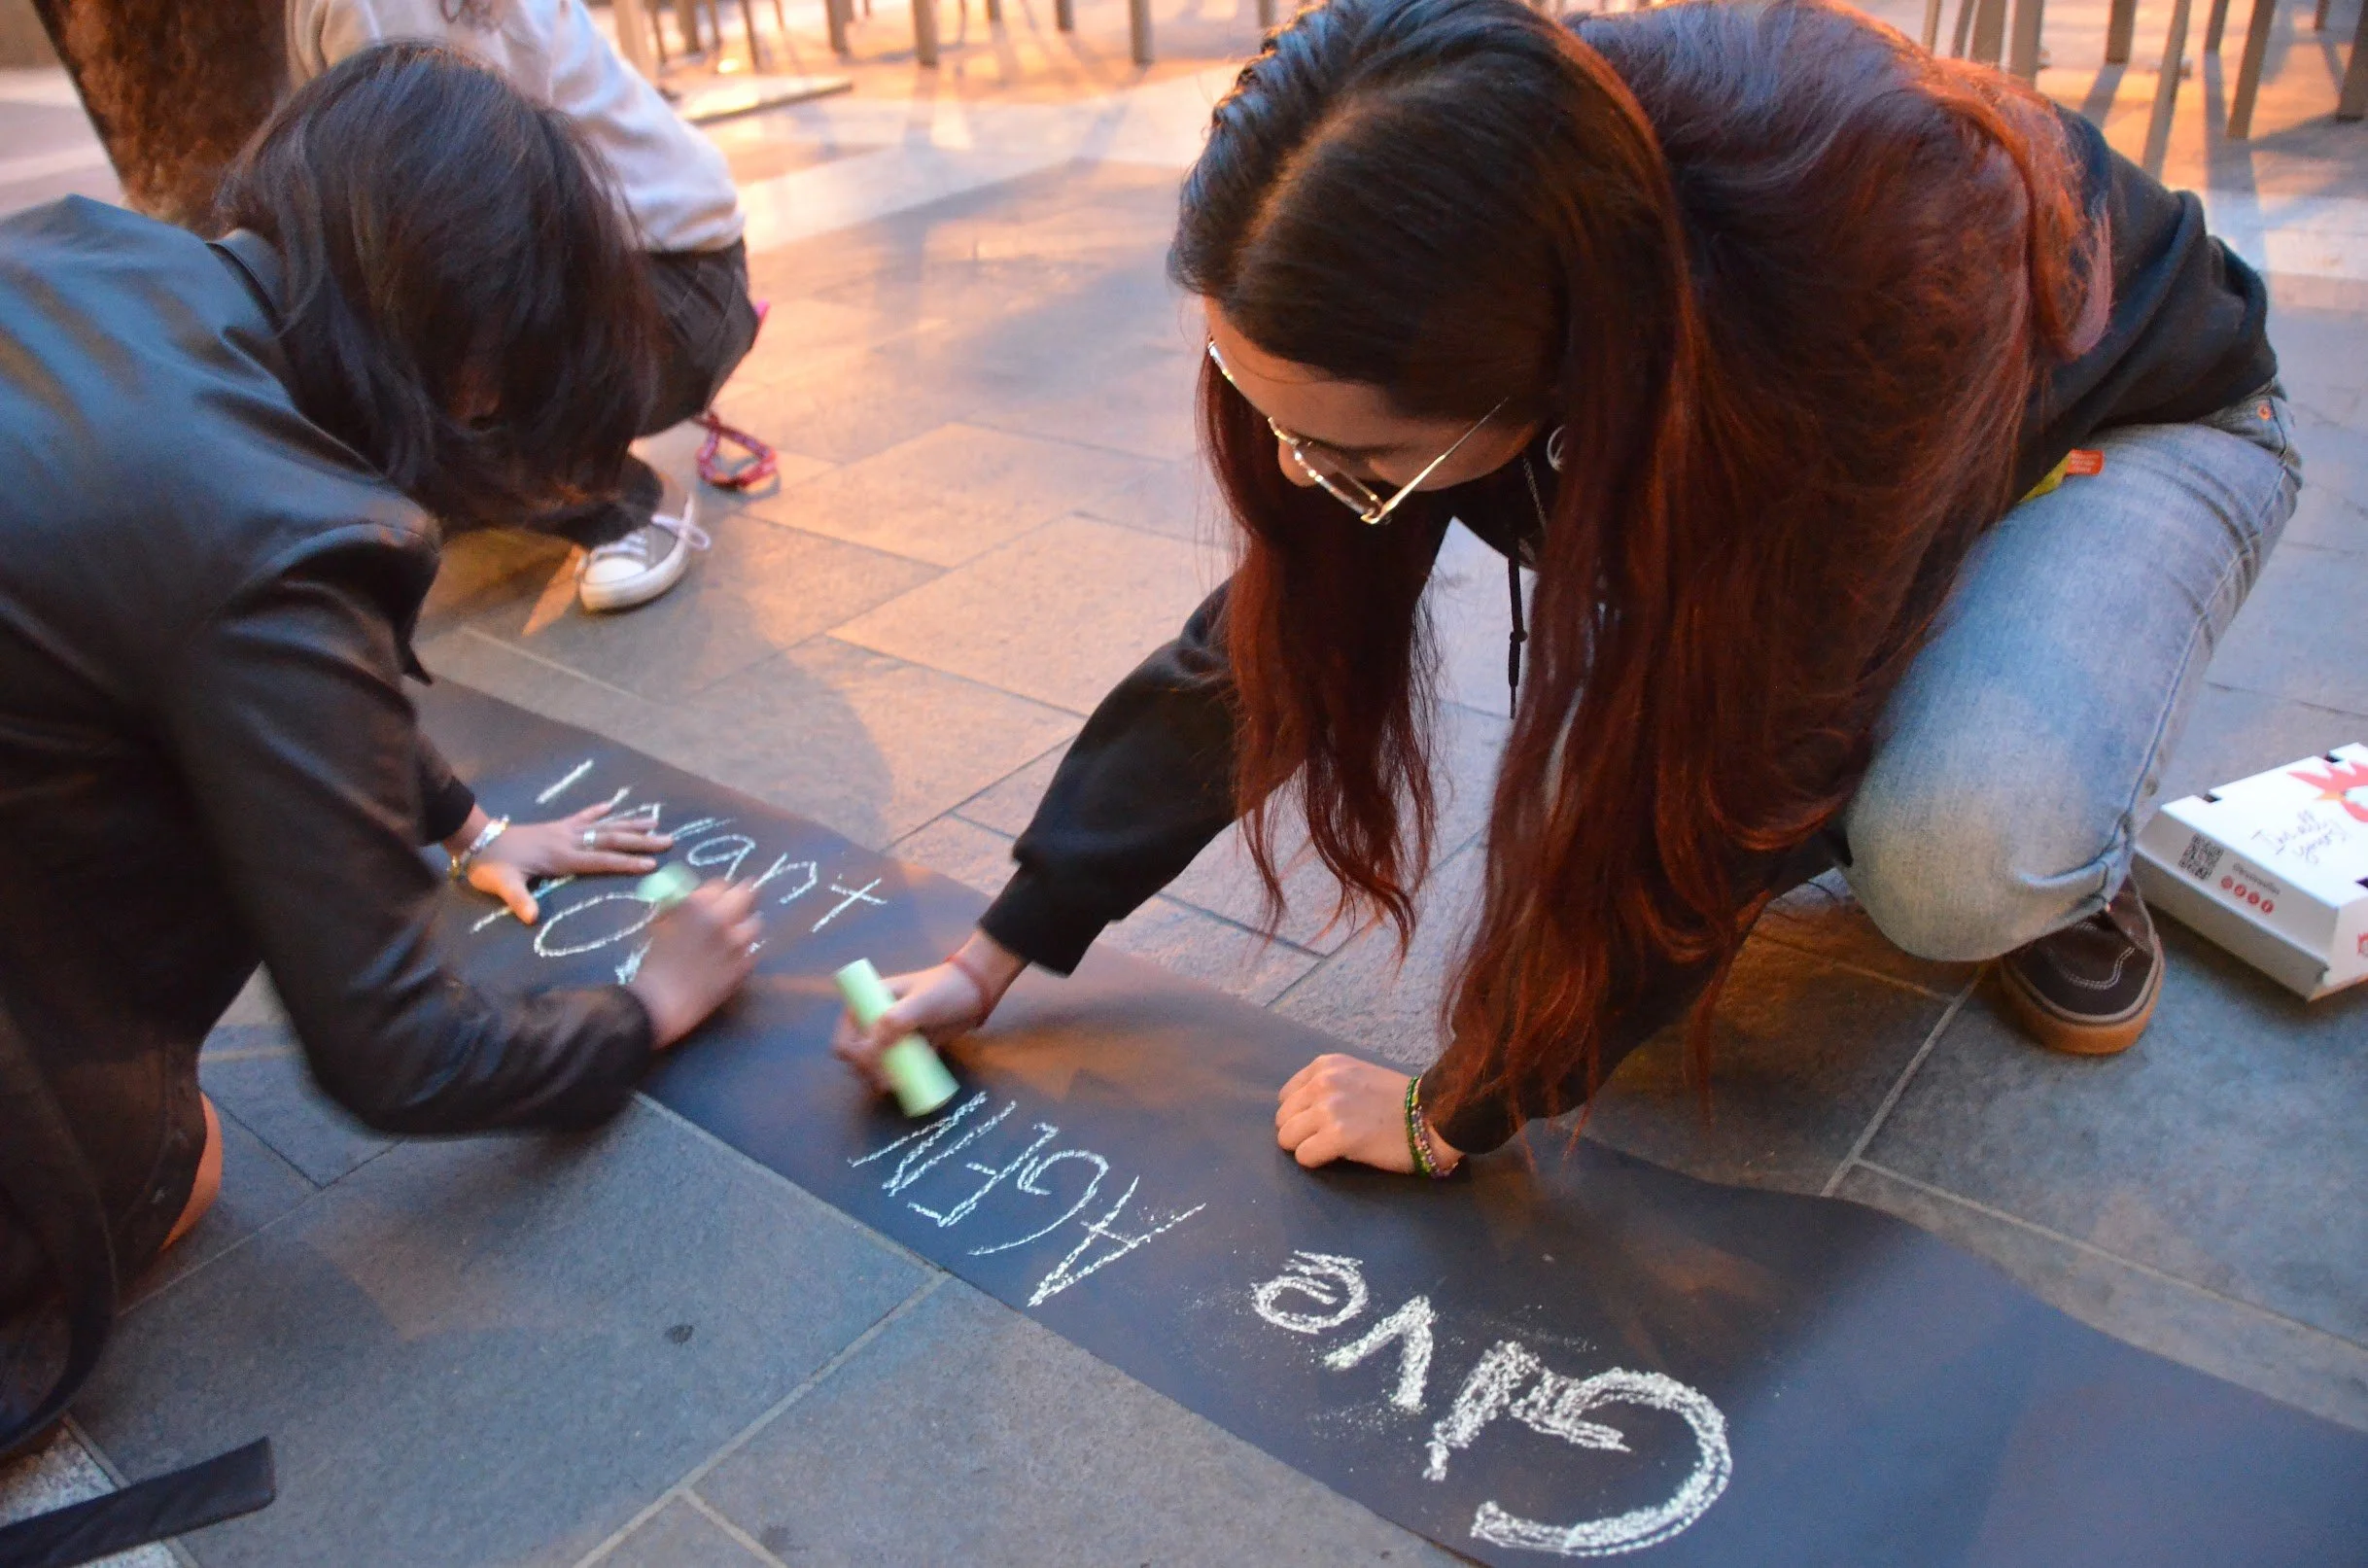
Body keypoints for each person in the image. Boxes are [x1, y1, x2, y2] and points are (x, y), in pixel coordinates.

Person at [835, 0, 2295, 1177]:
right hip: (1861, 467)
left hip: (2126, 436)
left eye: (1354, 448)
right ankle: (1950, 698)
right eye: (1264, 409)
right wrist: (1003, 941)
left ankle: (2075, 852)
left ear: (1544, 364)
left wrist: (1460, 1107)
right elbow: (1280, 634)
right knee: (1764, 737)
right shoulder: (1466, 229)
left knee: (1955, 844)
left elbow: (1737, 756)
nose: (1298, 472)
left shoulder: (1850, 258)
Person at [0, 45, 761, 1414]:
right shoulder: (284, 535)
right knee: (176, 1167)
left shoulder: (88, 250)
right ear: (476, 368)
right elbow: (399, 1054)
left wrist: (472, 825)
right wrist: (645, 1008)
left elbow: (249, 658)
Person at [288, 0, 762, 612]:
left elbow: (454, 217)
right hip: (652, 271)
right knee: (381, 410)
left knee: (386, 408)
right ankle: (503, 475)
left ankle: (615, 502)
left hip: (670, 285)